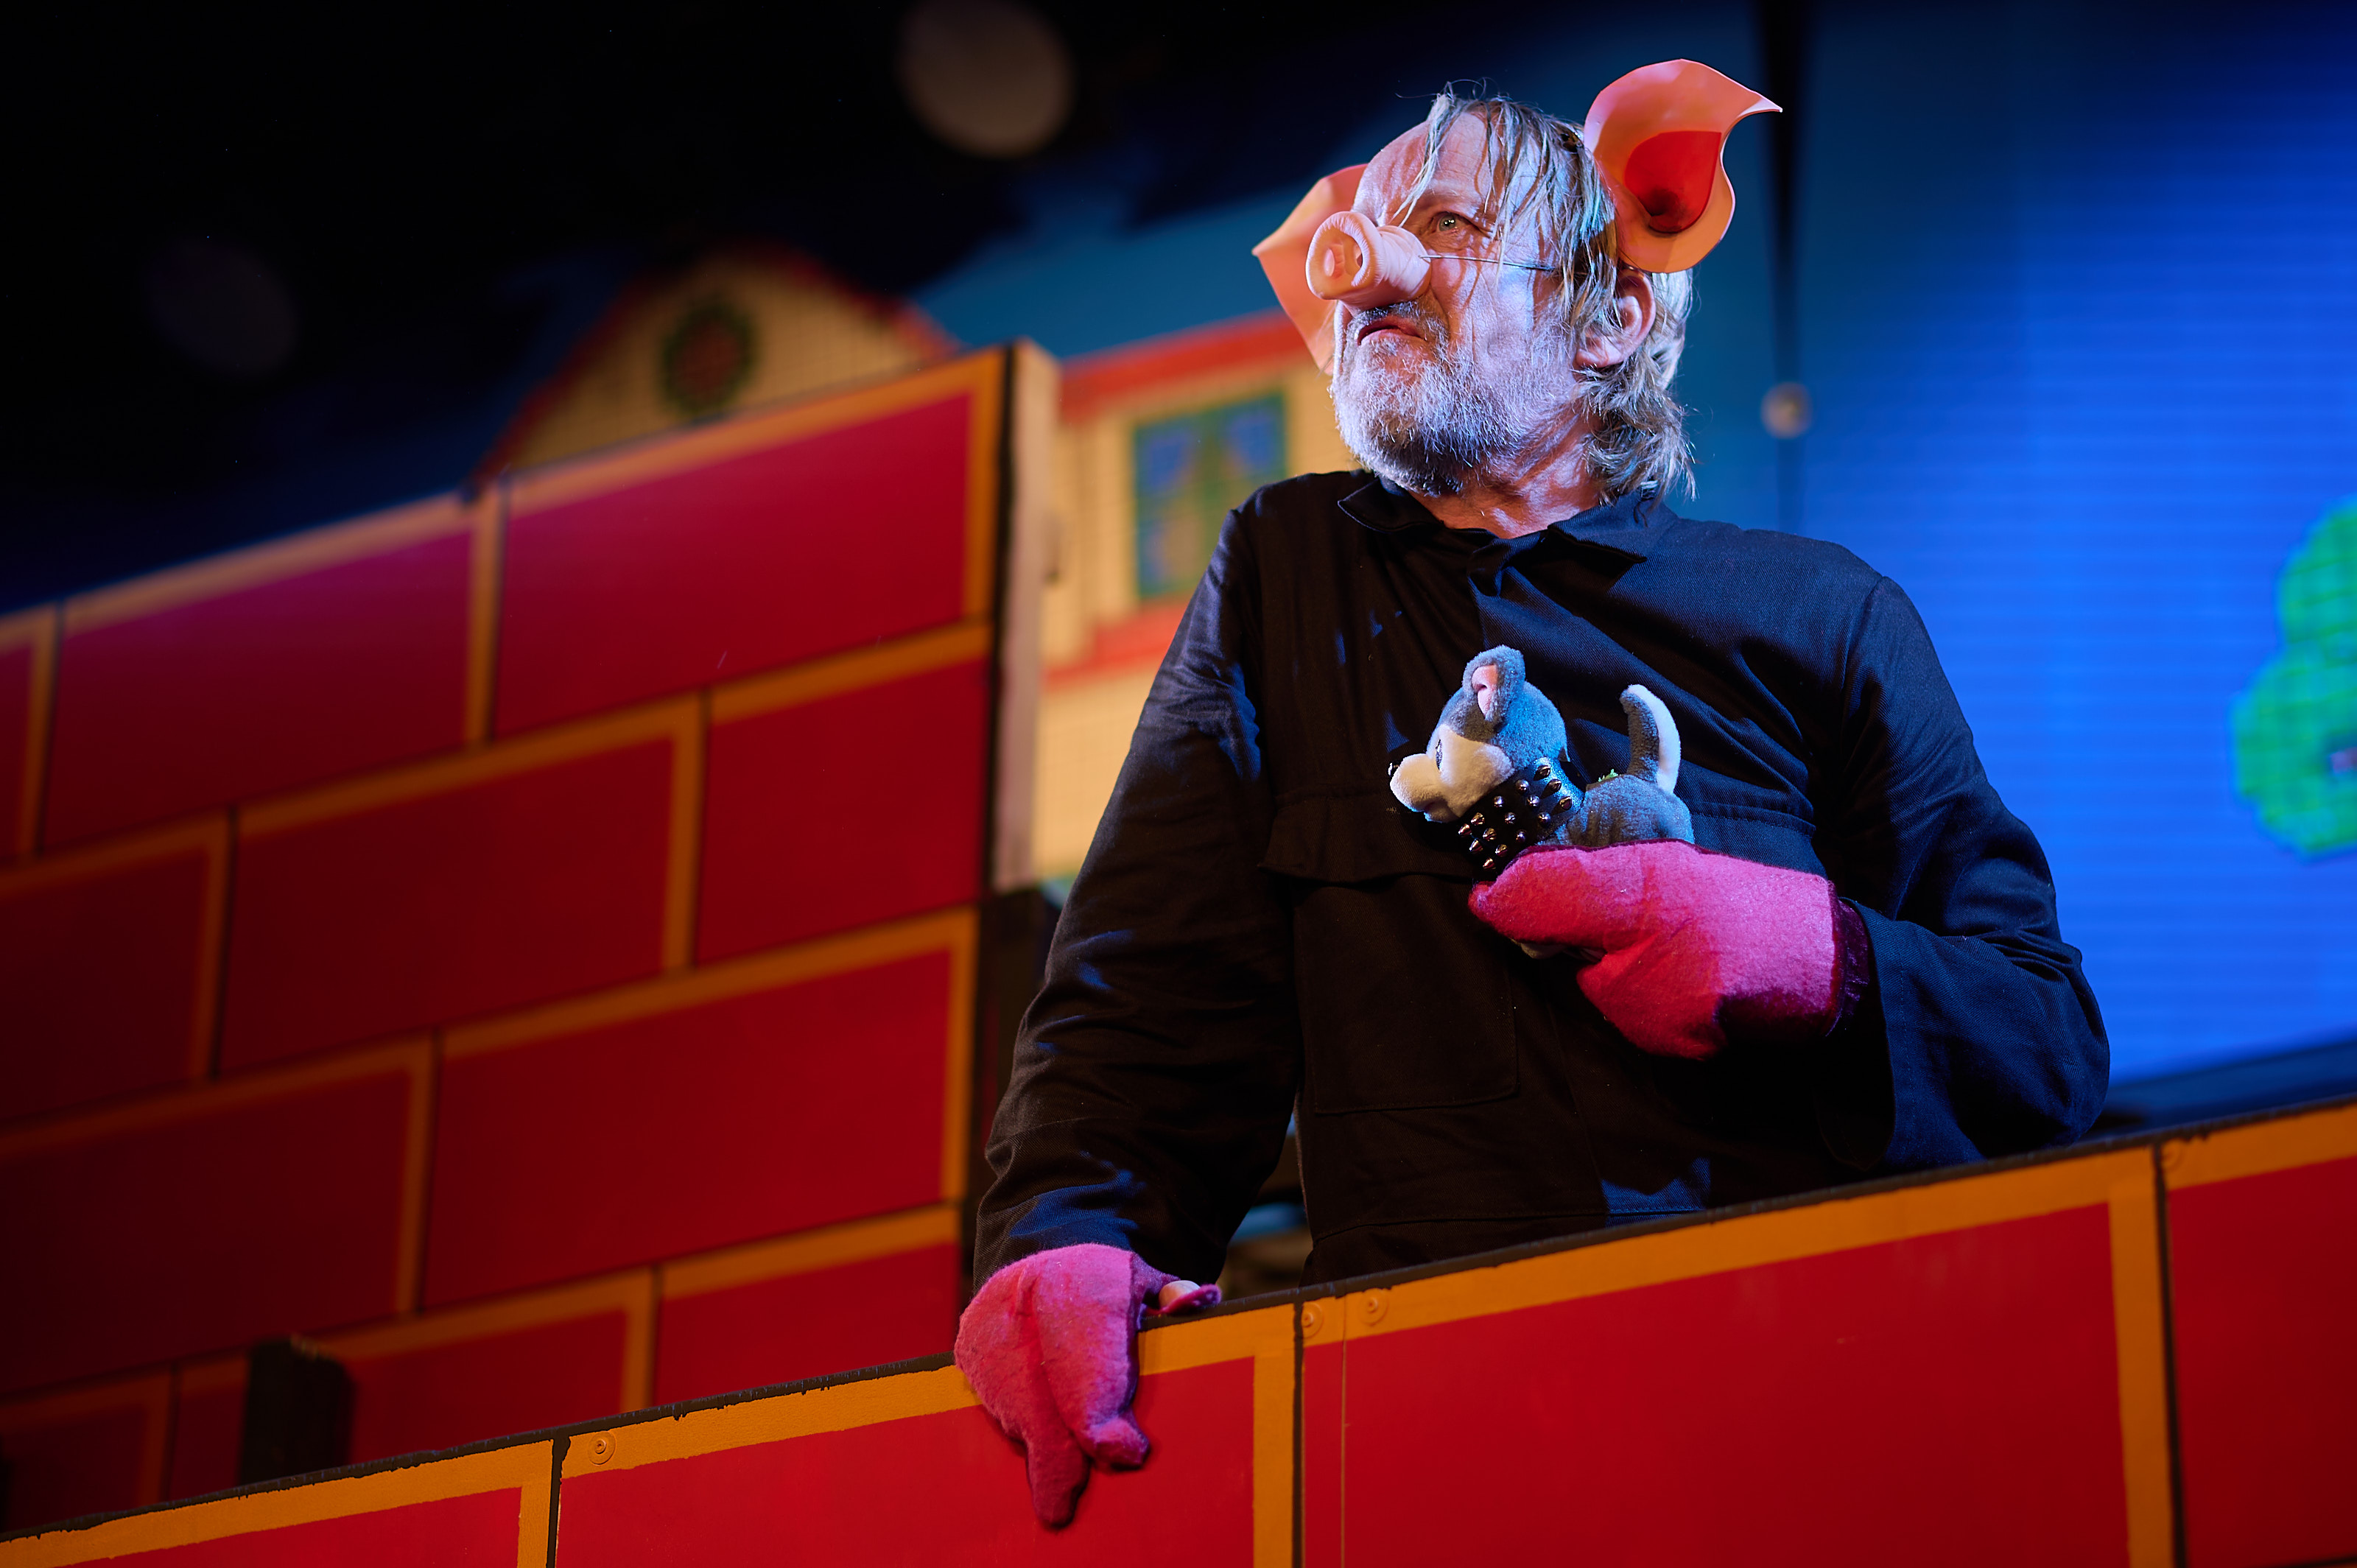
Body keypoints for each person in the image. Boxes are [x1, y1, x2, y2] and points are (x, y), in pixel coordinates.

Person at [953, 74, 2107, 1528]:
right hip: (1422, 1426)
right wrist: (1062, 1233)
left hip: (1794, 1405)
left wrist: (1811, 959)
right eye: (1368, 228)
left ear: (1608, 316)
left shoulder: (1823, 615)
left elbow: (2042, 1045)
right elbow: (1150, 997)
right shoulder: (1284, 575)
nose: (1368, 267)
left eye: (1444, 225)